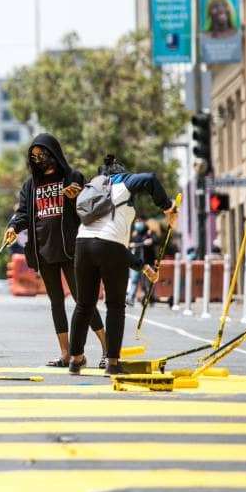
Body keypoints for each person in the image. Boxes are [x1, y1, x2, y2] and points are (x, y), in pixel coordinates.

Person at [6, 134, 107, 368]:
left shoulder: (73, 177)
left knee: (84, 301)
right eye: (34, 156)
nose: (39, 160)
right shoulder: (30, 185)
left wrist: (76, 198)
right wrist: (12, 227)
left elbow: (90, 210)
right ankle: (68, 354)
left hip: (72, 249)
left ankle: (107, 349)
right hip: (43, 250)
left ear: (54, 153)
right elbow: (23, 213)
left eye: (43, 154)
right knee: (56, 302)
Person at [68, 155, 175, 375]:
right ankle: (113, 362)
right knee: (115, 306)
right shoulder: (123, 181)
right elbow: (150, 179)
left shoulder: (94, 187)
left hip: (82, 245)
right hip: (110, 248)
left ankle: (76, 359)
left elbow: (109, 240)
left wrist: (142, 267)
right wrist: (168, 206)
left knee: (84, 305)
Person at [125, 220, 156, 308]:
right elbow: (130, 245)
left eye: (140, 221)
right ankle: (130, 298)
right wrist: (142, 244)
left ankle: (150, 298)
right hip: (136, 262)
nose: (138, 224)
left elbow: (153, 241)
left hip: (148, 263)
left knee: (147, 283)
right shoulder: (135, 236)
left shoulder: (148, 235)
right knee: (134, 280)